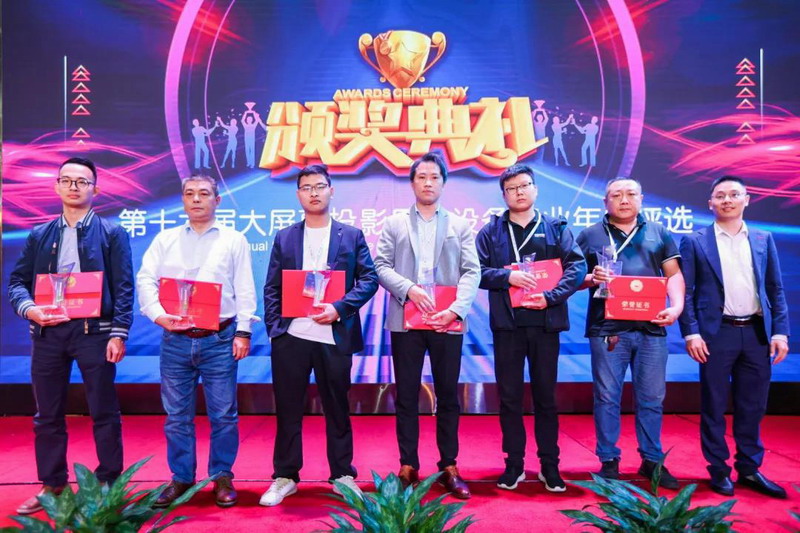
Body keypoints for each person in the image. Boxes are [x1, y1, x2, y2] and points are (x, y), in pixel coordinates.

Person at [9, 157, 133, 515]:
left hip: (94, 333)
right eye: (66, 180)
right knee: (46, 414)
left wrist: (118, 333)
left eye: (82, 181)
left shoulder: (111, 233)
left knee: (104, 410)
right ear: (57, 186)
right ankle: (53, 485)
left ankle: (109, 483)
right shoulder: (39, 234)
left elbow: (124, 287)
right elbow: (17, 282)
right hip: (48, 333)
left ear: (96, 189)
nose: (74, 186)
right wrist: (31, 310)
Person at [137, 174, 258, 508]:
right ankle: (181, 478)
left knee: (224, 414)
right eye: (189, 193)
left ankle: (222, 476)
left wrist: (244, 331)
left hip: (219, 338)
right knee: (176, 416)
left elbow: (244, 287)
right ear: (182, 200)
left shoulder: (234, 240)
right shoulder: (165, 239)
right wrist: (158, 315)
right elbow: (145, 279)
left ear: (217, 200)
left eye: (204, 193)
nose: (196, 199)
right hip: (175, 339)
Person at [260, 164, 378, 506]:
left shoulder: (351, 235)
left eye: (319, 186)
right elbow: (272, 286)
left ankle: (342, 475)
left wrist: (339, 308)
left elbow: (369, 279)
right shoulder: (285, 236)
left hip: (333, 335)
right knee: (288, 408)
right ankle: (285, 476)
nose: (313, 192)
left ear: (331, 190)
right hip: (292, 335)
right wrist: (276, 330)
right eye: (306, 187)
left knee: (337, 407)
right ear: (298, 194)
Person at [374, 152, 480, 499]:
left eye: (435, 177)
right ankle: (408, 465)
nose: (428, 183)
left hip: (446, 320)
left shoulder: (460, 225)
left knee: (448, 395)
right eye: (421, 177)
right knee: (406, 394)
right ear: (412, 183)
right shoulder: (394, 223)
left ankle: (449, 465)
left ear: (444, 183)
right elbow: (381, 265)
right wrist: (409, 289)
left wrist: (456, 310)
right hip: (406, 320)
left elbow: (471, 271)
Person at [476, 164, 586, 492]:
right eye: (511, 188)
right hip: (508, 326)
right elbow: (475, 271)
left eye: (524, 185)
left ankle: (550, 465)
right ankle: (514, 464)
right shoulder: (491, 232)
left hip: (545, 325)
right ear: (504, 195)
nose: (519, 192)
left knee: (546, 398)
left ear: (535, 189)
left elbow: (577, 267)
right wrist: (507, 276)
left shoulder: (556, 228)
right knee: (509, 398)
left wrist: (550, 297)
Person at [679, 176, 790, 498]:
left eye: (734, 194)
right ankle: (718, 469)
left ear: (746, 199)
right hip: (717, 334)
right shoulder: (695, 241)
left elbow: (775, 288)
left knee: (752, 405)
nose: (727, 200)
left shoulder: (763, 238)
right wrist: (691, 333)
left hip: (756, 333)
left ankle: (750, 468)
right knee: (713, 404)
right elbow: (686, 291)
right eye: (720, 195)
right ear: (710, 202)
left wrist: (780, 331)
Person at [576, 177, 684, 489]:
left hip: (651, 327)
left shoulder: (658, 232)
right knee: (606, 396)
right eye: (616, 195)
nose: (624, 200)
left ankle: (652, 459)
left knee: (652, 398)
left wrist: (676, 307)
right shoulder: (590, 235)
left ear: (641, 198)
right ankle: (609, 460)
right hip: (607, 329)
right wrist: (591, 278)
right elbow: (572, 278)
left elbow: (674, 275)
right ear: (605, 201)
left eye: (630, 194)